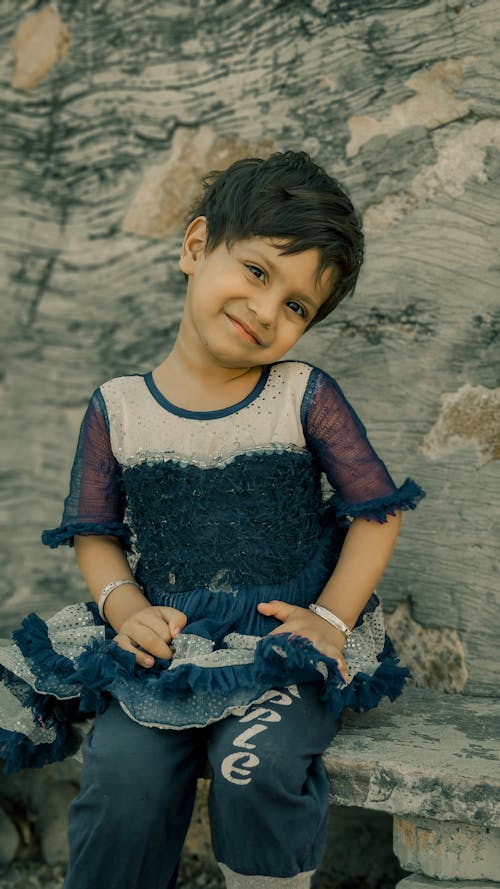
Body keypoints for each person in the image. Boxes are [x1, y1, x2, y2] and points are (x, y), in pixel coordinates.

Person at [0, 150, 424, 889]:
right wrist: (126, 608)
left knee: (250, 764)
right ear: (196, 247)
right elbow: (96, 534)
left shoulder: (302, 395)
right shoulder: (118, 409)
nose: (267, 309)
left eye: (297, 305)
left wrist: (329, 617)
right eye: (258, 272)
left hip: (279, 647)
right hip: (166, 649)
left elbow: (376, 512)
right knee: (121, 771)